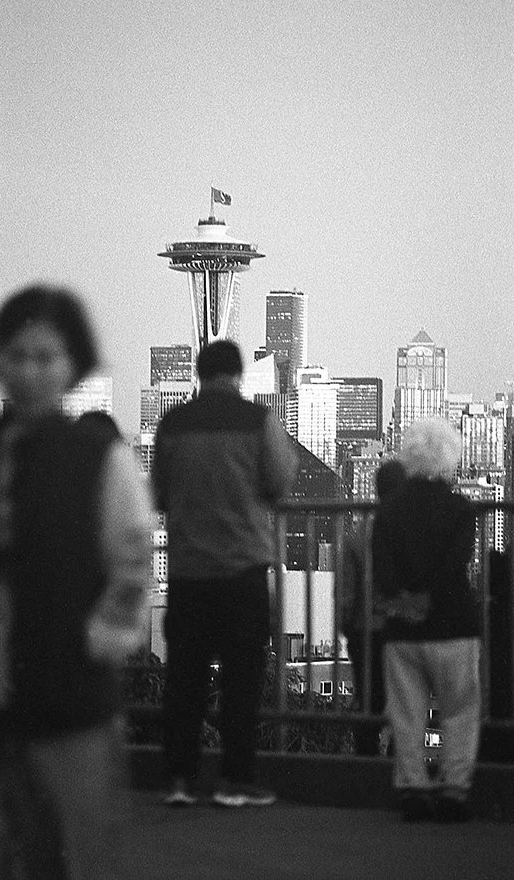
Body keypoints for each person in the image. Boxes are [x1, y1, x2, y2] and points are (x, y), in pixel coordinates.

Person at [0, 284, 152, 878]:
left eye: (46, 357)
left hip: (71, 698)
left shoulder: (100, 458)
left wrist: (103, 638)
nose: (30, 371)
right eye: (17, 355)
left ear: (74, 364)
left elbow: (133, 559)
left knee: (79, 854)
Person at [152, 339, 298, 807]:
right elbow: (280, 480)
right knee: (242, 679)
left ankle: (179, 779)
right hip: (242, 569)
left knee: (185, 679)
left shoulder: (172, 424)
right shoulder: (259, 421)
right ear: (238, 375)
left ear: (199, 373)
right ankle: (235, 780)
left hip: (188, 570)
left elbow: (159, 493)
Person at [372, 418, 480, 822]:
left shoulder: (389, 510)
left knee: (406, 714)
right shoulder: (461, 509)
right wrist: (430, 598)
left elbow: (382, 571)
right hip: (453, 625)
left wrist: (406, 601)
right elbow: (456, 565)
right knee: (459, 711)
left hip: (403, 629)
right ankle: (454, 791)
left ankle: (413, 789)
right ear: (451, 457)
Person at [341, 460, 406, 750]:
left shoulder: (358, 535)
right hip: (403, 632)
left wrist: (348, 628)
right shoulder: (412, 535)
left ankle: (365, 762)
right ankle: (399, 761)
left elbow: (346, 594)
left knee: (368, 705)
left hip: (365, 632)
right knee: (405, 704)